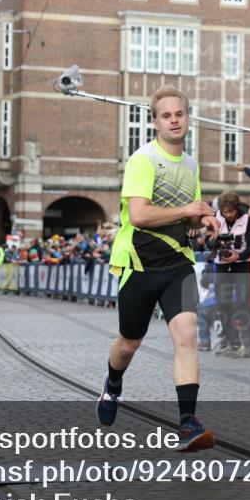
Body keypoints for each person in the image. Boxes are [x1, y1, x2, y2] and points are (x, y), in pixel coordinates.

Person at [97, 85, 219, 453]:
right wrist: (188, 211)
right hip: (140, 266)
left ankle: (187, 424)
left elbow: (188, 220)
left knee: (186, 336)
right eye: (166, 115)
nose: (174, 120)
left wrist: (205, 221)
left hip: (179, 264)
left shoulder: (193, 165)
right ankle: (113, 383)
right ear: (155, 122)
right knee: (129, 344)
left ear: (188, 118)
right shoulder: (143, 160)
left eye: (179, 114)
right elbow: (140, 215)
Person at [206, 191, 250, 357]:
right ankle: (231, 342)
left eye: (231, 212)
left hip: (242, 265)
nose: (227, 215)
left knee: (243, 303)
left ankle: (249, 345)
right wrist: (214, 241)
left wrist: (239, 255)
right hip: (222, 265)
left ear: (237, 209)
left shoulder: (247, 220)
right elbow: (208, 242)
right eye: (224, 212)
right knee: (223, 304)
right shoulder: (216, 217)